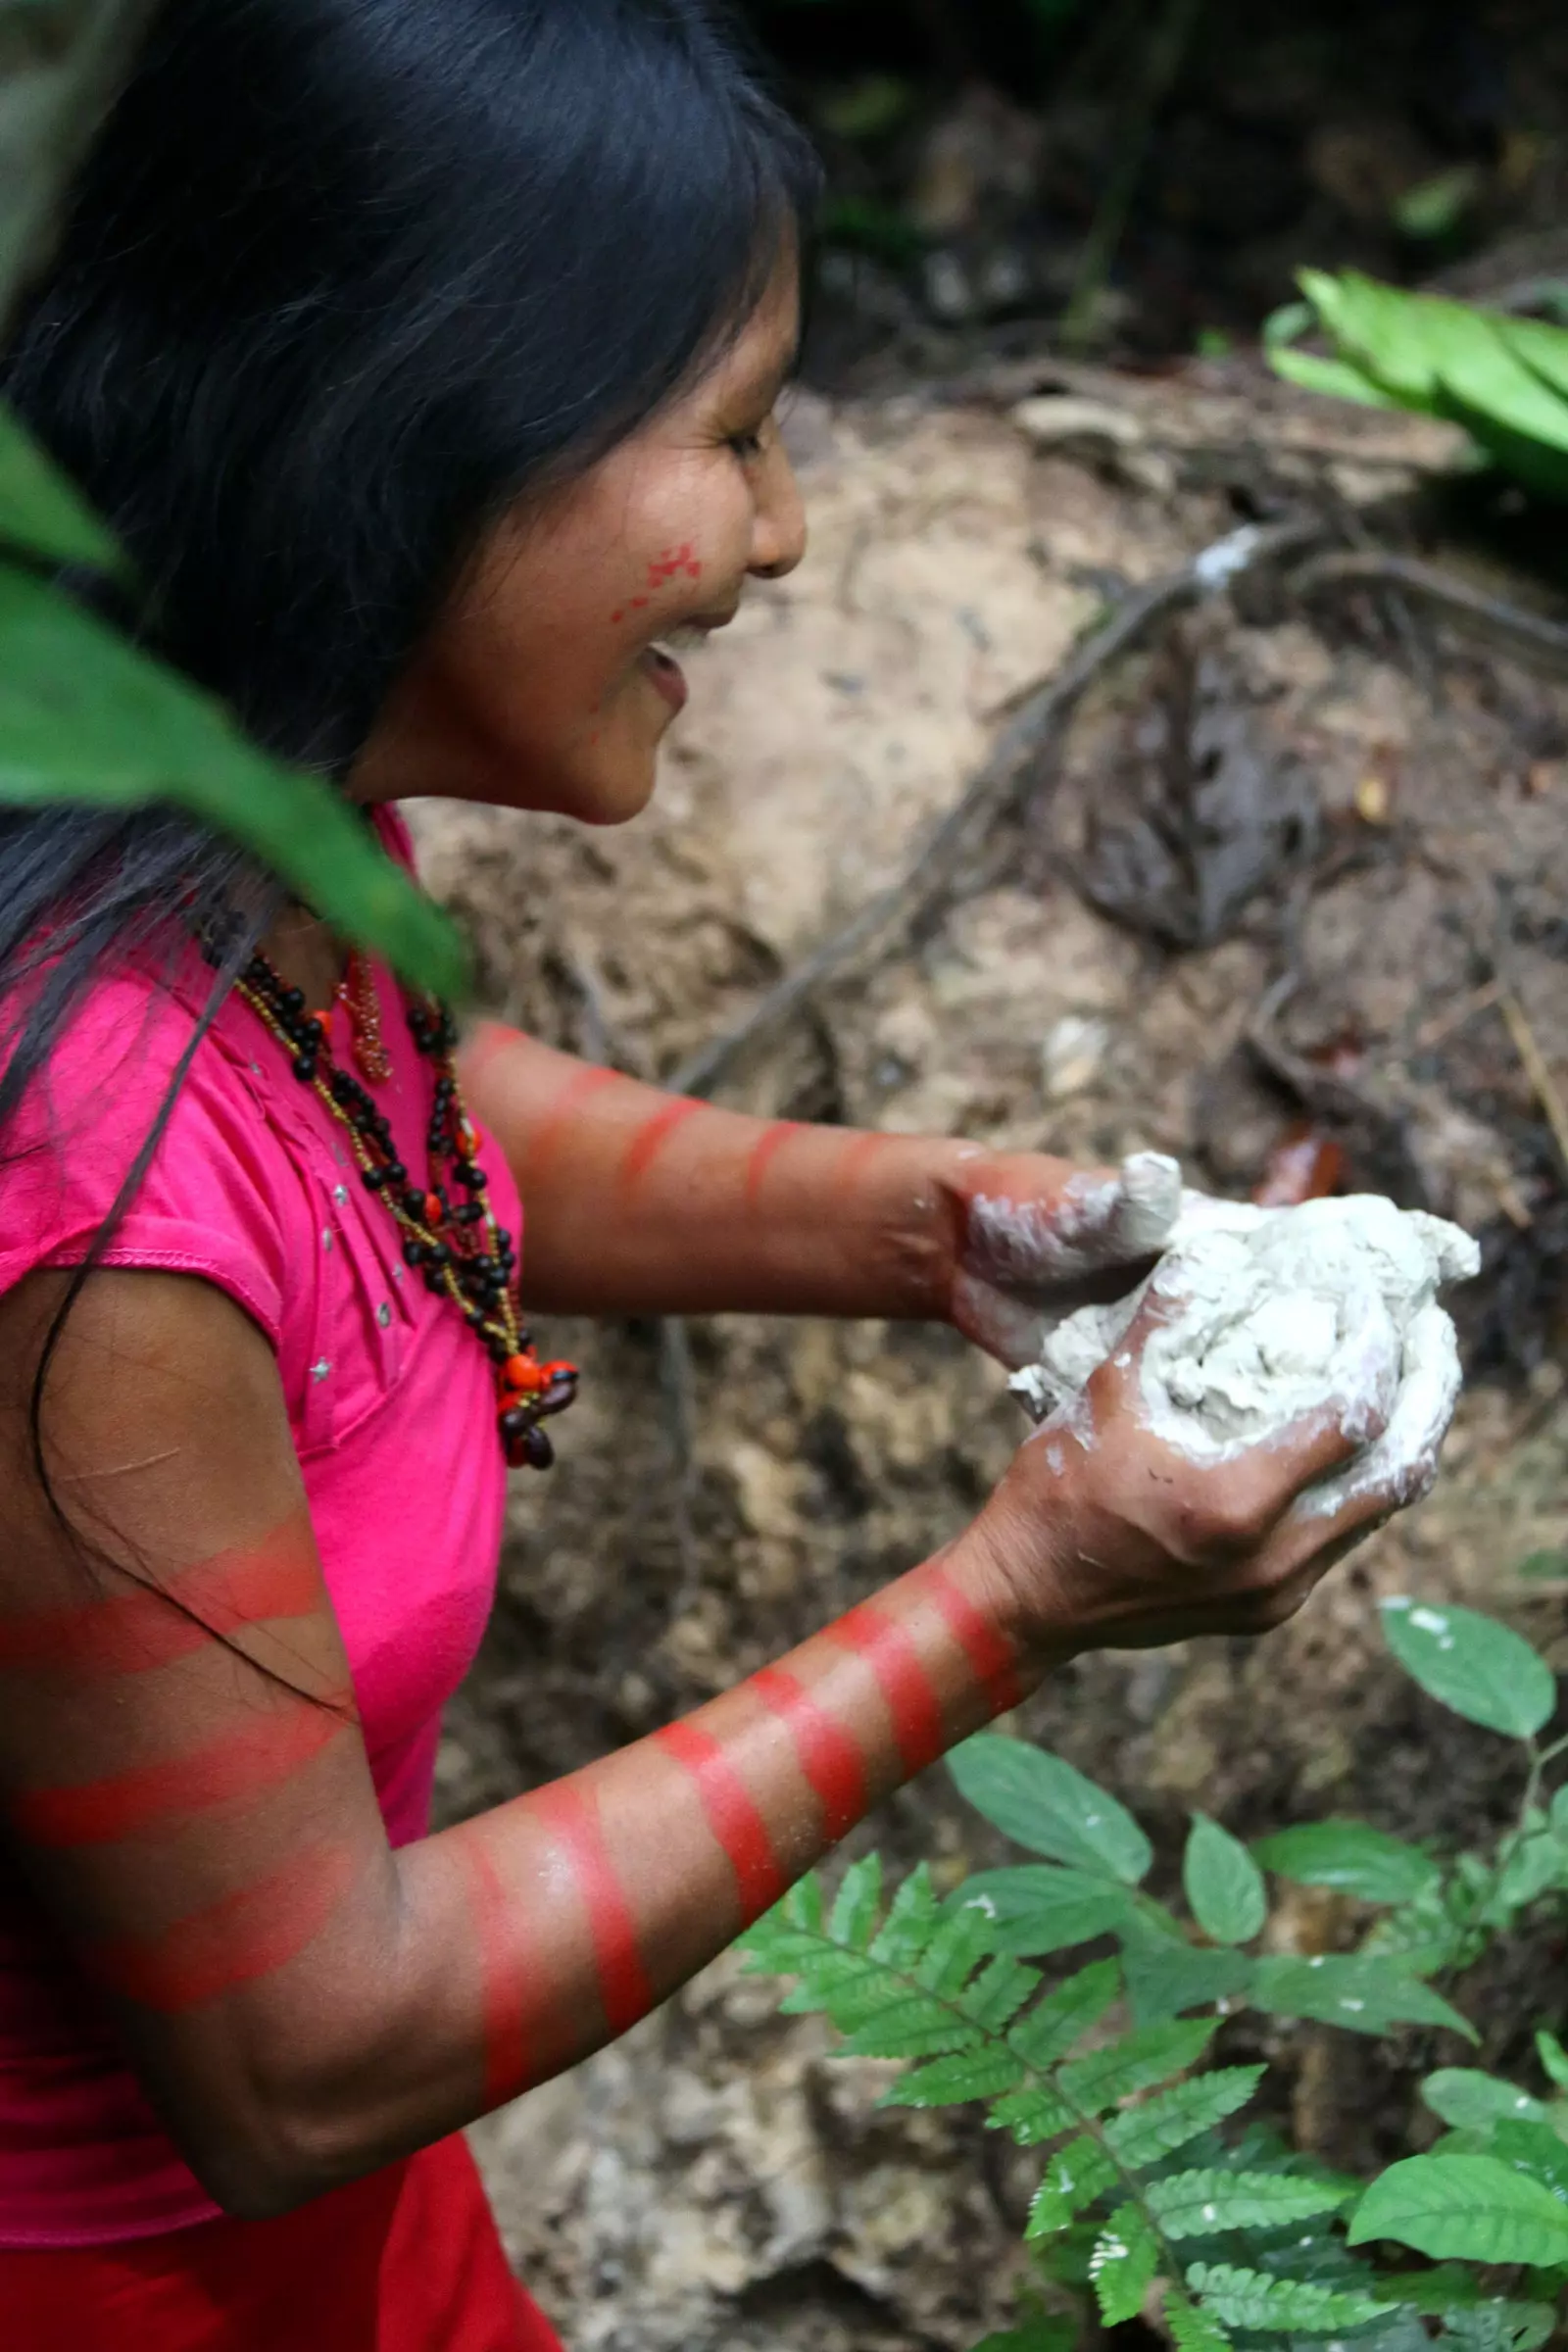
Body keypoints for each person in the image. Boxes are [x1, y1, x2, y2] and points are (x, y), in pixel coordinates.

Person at [0, 4, 1420, 2346]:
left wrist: (918, 1223)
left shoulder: (181, 792)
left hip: (363, 2241)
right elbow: (299, 2049)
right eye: (731, 432)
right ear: (415, 430)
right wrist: (1014, 1600)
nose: (778, 530)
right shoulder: (71, 1184)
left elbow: (384, 1115)